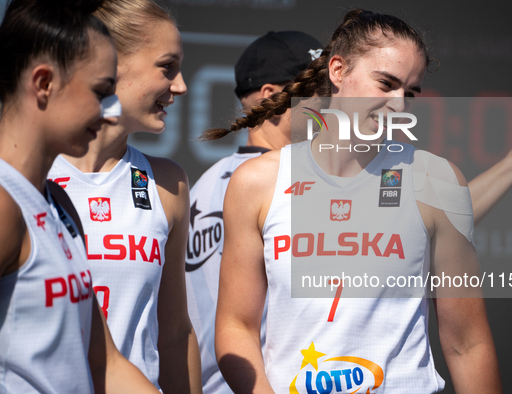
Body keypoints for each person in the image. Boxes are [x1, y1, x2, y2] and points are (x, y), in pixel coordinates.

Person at [210, 9, 512, 393]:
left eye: (409, 92)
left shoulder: (436, 180)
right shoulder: (257, 182)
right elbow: (235, 326)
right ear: (338, 71)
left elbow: (467, 342)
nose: (399, 105)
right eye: (385, 83)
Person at [0, 0, 161, 392]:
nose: (110, 112)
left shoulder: (58, 203)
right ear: (43, 83)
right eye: (101, 91)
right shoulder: (4, 205)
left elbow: (105, 364)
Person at [47, 0, 201, 392]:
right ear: (109, 62)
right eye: (167, 67)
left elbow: (175, 332)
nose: (181, 86)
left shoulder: (169, 183)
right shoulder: (23, 175)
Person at [185, 30, 323, 394]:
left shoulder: (208, 181)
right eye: (318, 89)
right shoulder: (283, 185)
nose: (332, 102)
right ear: (272, 97)